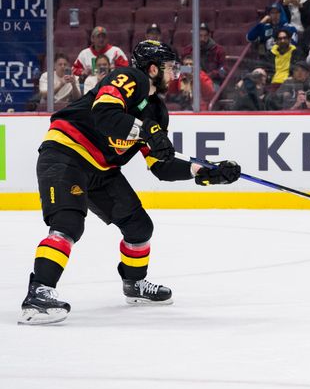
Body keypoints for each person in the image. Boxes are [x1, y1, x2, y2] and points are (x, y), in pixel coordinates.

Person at [18, 41, 242, 325]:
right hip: (66, 154)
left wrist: (205, 172)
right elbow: (105, 113)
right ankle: (38, 294)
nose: (174, 74)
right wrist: (145, 131)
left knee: (139, 227)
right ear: (152, 69)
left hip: (102, 169)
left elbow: (161, 165)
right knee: (68, 224)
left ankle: (134, 285)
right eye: (170, 68)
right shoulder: (129, 77)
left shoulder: (157, 111)